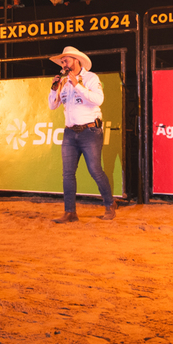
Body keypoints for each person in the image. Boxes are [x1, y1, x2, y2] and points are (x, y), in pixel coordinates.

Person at [47, 46, 115, 223]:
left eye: (66, 60)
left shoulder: (90, 78)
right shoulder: (63, 82)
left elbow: (98, 100)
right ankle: (70, 212)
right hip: (70, 132)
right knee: (68, 174)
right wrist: (54, 88)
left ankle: (110, 204)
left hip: (90, 131)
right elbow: (52, 106)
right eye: (62, 61)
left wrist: (77, 85)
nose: (63, 64)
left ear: (76, 60)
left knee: (95, 170)